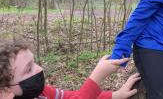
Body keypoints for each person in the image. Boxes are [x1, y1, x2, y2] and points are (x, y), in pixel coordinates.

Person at [0, 36, 141, 99]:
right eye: (28, 69)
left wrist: (115, 95)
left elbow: (72, 97)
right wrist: (97, 77)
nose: (39, 69)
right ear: (5, 91)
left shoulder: (42, 92)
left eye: (34, 62)